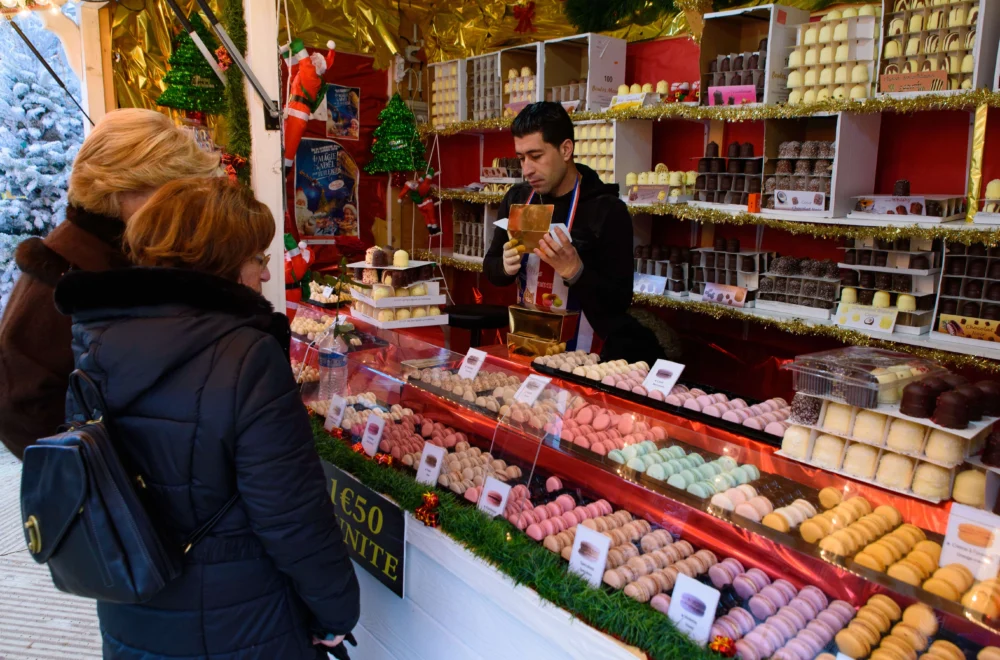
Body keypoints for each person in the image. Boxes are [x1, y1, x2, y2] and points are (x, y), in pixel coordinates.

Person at [53, 177, 360, 659]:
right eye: (258, 259)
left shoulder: (94, 337)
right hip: (240, 625)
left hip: (131, 606)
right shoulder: (247, 355)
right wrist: (336, 612)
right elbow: (293, 516)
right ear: (220, 263)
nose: (264, 275)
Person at [0, 108, 221, 460]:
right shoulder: (66, 277)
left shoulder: (112, 256)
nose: (180, 208)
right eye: (170, 192)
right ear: (124, 190)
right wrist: (111, 472)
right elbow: (21, 411)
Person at [483, 102, 665, 362]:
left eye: (536, 156)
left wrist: (576, 272)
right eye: (521, 158)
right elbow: (491, 268)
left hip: (586, 357)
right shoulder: (519, 199)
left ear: (566, 149)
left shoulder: (607, 209)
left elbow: (619, 300)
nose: (527, 169)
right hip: (529, 344)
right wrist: (504, 267)